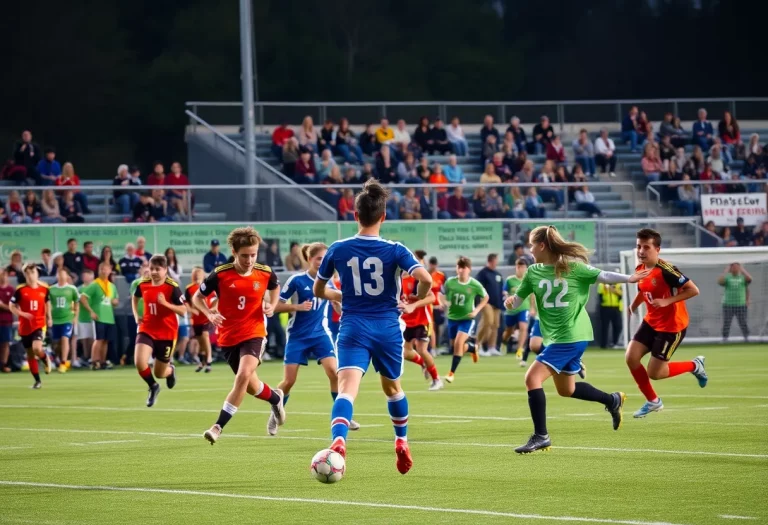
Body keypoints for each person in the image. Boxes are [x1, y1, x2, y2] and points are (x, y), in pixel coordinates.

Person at [312, 179, 432, 474]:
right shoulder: (395, 250)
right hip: (388, 327)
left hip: (353, 326)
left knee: (346, 391)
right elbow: (426, 279)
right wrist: (415, 296)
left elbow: (319, 290)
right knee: (393, 389)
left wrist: (337, 295)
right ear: (383, 217)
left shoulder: (338, 249)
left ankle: (338, 440)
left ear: (355, 216)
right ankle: (401, 441)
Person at [504, 225, 648, 453]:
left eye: (532, 244)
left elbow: (603, 276)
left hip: (569, 336)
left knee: (532, 379)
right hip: (562, 338)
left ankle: (541, 436)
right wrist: (512, 301)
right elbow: (520, 299)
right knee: (566, 390)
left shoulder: (574, 268)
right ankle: (612, 400)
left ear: (542, 245)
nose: (530, 249)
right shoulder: (533, 272)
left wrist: (630, 278)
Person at [194, 227, 285, 444]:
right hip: (228, 338)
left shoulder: (264, 271)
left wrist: (272, 305)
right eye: (244, 255)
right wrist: (209, 313)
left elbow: (275, 286)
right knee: (252, 386)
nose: (250, 260)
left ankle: (218, 426)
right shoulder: (220, 274)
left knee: (243, 375)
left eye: (253, 254)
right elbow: (198, 297)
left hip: (254, 333)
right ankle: (276, 398)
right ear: (234, 252)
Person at [270, 243, 359, 435]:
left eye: (325, 259)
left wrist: (339, 308)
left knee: (335, 373)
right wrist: (298, 307)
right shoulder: (296, 280)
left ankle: (342, 416)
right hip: (297, 336)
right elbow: (276, 306)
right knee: (289, 381)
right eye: (318, 258)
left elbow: (336, 302)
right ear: (309, 259)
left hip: (321, 334)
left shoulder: (329, 282)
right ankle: (276, 411)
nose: (322, 262)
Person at [626, 228, 705, 419]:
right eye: (638, 246)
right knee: (631, 357)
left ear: (657, 249)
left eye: (646, 247)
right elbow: (644, 290)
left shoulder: (667, 271)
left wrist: (667, 301)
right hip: (651, 322)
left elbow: (693, 290)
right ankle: (653, 401)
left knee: (656, 373)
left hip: (671, 326)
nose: (641, 251)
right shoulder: (640, 268)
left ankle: (695, 366)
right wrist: (634, 305)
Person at [131, 255, 187, 407]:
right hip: (147, 328)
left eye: (158, 269)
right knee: (139, 362)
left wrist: (166, 304)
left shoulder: (172, 287)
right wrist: (137, 315)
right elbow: (135, 298)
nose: (154, 272)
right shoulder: (143, 284)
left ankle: (170, 371)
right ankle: (153, 386)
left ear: (165, 270)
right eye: (152, 269)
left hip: (166, 333)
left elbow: (183, 310)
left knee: (159, 373)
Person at [440, 257, 489, 383]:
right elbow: (441, 294)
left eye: (464, 267)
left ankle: (451, 373)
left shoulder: (474, 284)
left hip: (467, 319)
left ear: (469, 269)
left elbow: (485, 297)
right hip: (452, 318)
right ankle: (472, 348)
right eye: (459, 267)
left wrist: (476, 311)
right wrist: (444, 302)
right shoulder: (450, 282)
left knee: (458, 343)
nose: (461, 270)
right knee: (455, 347)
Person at [401, 250, 443, 391]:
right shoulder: (399, 280)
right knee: (405, 353)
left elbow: (432, 298)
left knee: (421, 349)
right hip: (406, 321)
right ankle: (423, 364)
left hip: (422, 320)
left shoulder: (418, 279)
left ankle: (437, 379)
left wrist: (413, 305)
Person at [9, 264, 52, 389]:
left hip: (39, 324)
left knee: (37, 348)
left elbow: (47, 302)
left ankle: (44, 358)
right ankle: (37, 381)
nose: (30, 275)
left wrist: (49, 317)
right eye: (27, 273)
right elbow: (11, 306)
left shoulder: (44, 288)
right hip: (25, 326)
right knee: (30, 354)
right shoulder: (20, 290)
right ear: (24, 275)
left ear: (37, 273)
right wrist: (22, 314)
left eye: (32, 272)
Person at [79, 262, 119, 370]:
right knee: (99, 339)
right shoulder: (95, 284)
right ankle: (94, 361)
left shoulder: (112, 286)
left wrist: (115, 302)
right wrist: (91, 311)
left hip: (109, 317)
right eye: (102, 269)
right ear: (98, 270)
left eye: (106, 269)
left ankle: (102, 361)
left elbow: (115, 300)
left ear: (110, 271)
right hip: (99, 316)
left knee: (106, 340)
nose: (104, 271)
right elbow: (83, 298)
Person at [49, 267, 79, 373]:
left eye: (63, 274)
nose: (61, 276)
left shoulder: (72, 289)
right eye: (59, 274)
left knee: (65, 338)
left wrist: (75, 317)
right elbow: (47, 304)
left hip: (67, 318)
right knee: (56, 343)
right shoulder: (51, 289)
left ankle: (63, 363)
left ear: (67, 276)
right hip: (55, 319)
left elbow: (76, 303)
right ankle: (55, 356)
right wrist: (49, 317)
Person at [185, 267, 215, 373]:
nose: (197, 275)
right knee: (200, 340)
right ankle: (202, 361)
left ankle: (209, 360)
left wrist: (212, 309)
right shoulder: (189, 289)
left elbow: (215, 299)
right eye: (195, 273)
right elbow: (185, 303)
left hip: (206, 316)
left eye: (199, 273)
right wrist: (192, 310)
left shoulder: (208, 286)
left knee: (205, 336)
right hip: (196, 318)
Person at [502, 258, 531, 359]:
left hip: (524, 307)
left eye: (523, 267)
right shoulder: (510, 280)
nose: (521, 269)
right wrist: (507, 297)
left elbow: (532, 295)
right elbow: (505, 291)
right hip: (511, 309)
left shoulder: (528, 281)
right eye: (519, 266)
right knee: (509, 330)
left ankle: (519, 350)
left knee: (523, 327)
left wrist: (532, 308)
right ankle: (504, 342)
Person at [475, 253, 503, 357]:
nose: (497, 262)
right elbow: (478, 287)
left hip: (497, 303)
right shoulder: (483, 273)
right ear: (491, 261)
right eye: (496, 260)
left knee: (495, 325)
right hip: (487, 303)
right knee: (488, 322)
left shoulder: (498, 274)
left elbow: (500, 289)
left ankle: (492, 347)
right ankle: (478, 345)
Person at [718, 263, 751, 342]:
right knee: (726, 322)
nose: (735, 268)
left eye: (736, 266)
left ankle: (746, 337)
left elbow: (749, 282)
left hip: (741, 304)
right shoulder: (728, 277)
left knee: (743, 322)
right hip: (728, 304)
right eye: (733, 266)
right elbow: (720, 281)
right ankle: (724, 338)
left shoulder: (743, 277)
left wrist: (747, 300)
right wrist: (726, 271)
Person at [76, 269, 95, 367]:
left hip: (93, 316)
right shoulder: (79, 289)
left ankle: (92, 356)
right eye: (84, 275)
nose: (85, 277)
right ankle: (86, 357)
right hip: (82, 317)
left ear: (92, 276)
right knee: (84, 339)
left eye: (87, 275)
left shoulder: (95, 287)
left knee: (92, 338)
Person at [597, 281, 623, 349]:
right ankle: (603, 345)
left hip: (616, 307)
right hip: (605, 307)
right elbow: (600, 295)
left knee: (618, 326)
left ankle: (615, 343)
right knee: (604, 327)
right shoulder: (602, 285)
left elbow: (621, 295)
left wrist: (614, 290)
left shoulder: (618, 284)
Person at [0, 270, 14, 372]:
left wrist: (2, 305)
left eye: (5, 275)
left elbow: (14, 308)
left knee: (5, 343)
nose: (3, 277)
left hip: (6, 321)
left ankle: (3, 365)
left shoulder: (11, 290)